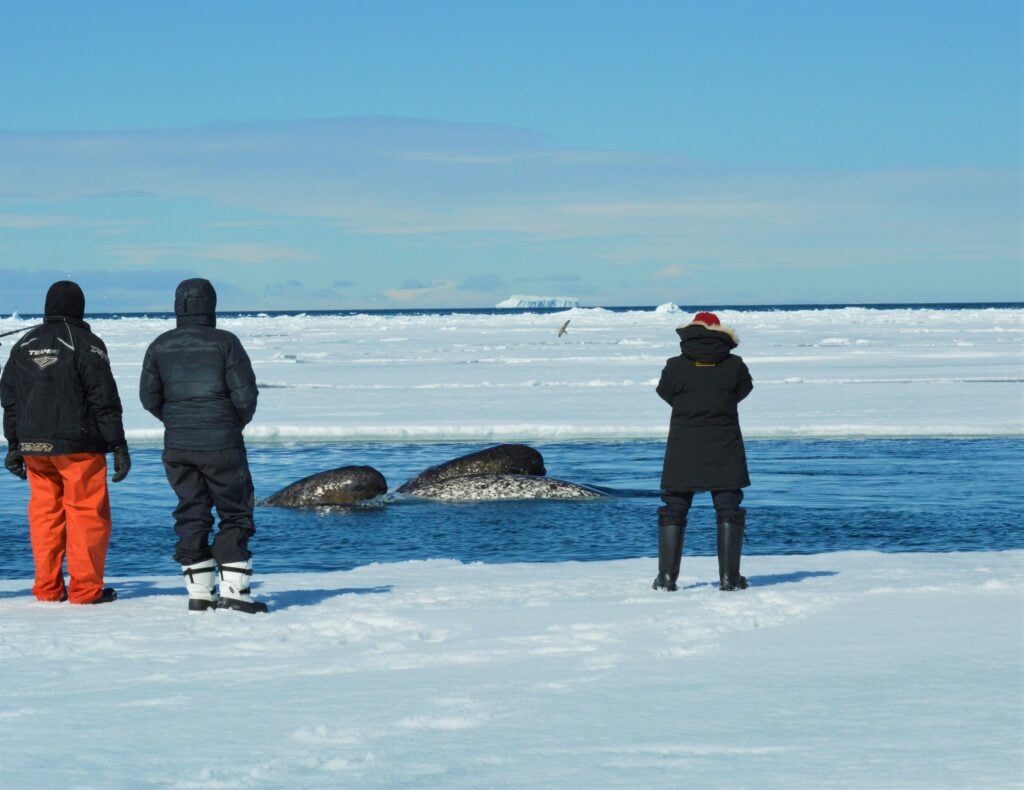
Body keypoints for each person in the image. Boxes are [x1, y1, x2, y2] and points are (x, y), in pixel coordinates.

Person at [139, 278, 266, 613]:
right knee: (235, 512)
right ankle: (235, 595)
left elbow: (148, 398)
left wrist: (177, 421)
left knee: (191, 511)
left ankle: (199, 595)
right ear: (211, 305)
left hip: (179, 445)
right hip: (222, 442)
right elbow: (246, 396)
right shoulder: (226, 343)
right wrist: (232, 422)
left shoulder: (160, 345)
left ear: (178, 305)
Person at [0, 281, 130, 604]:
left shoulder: (23, 344)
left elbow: (9, 400)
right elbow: (104, 400)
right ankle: (85, 591)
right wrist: (118, 444)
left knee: (45, 515)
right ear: (79, 309)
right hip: (78, 447)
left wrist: (14, 444)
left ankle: (48, 588)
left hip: (35, 449)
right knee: (86, 513)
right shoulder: (87, 344)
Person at [654, 311, 753, 592]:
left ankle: (666, 579)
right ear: (720, 331)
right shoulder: (734, 365)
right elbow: (743, 391)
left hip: (684, 442)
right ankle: (729, 579)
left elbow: (665, 393)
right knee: (728, 507)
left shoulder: (675, 365)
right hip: (725, 441)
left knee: (674, 506)